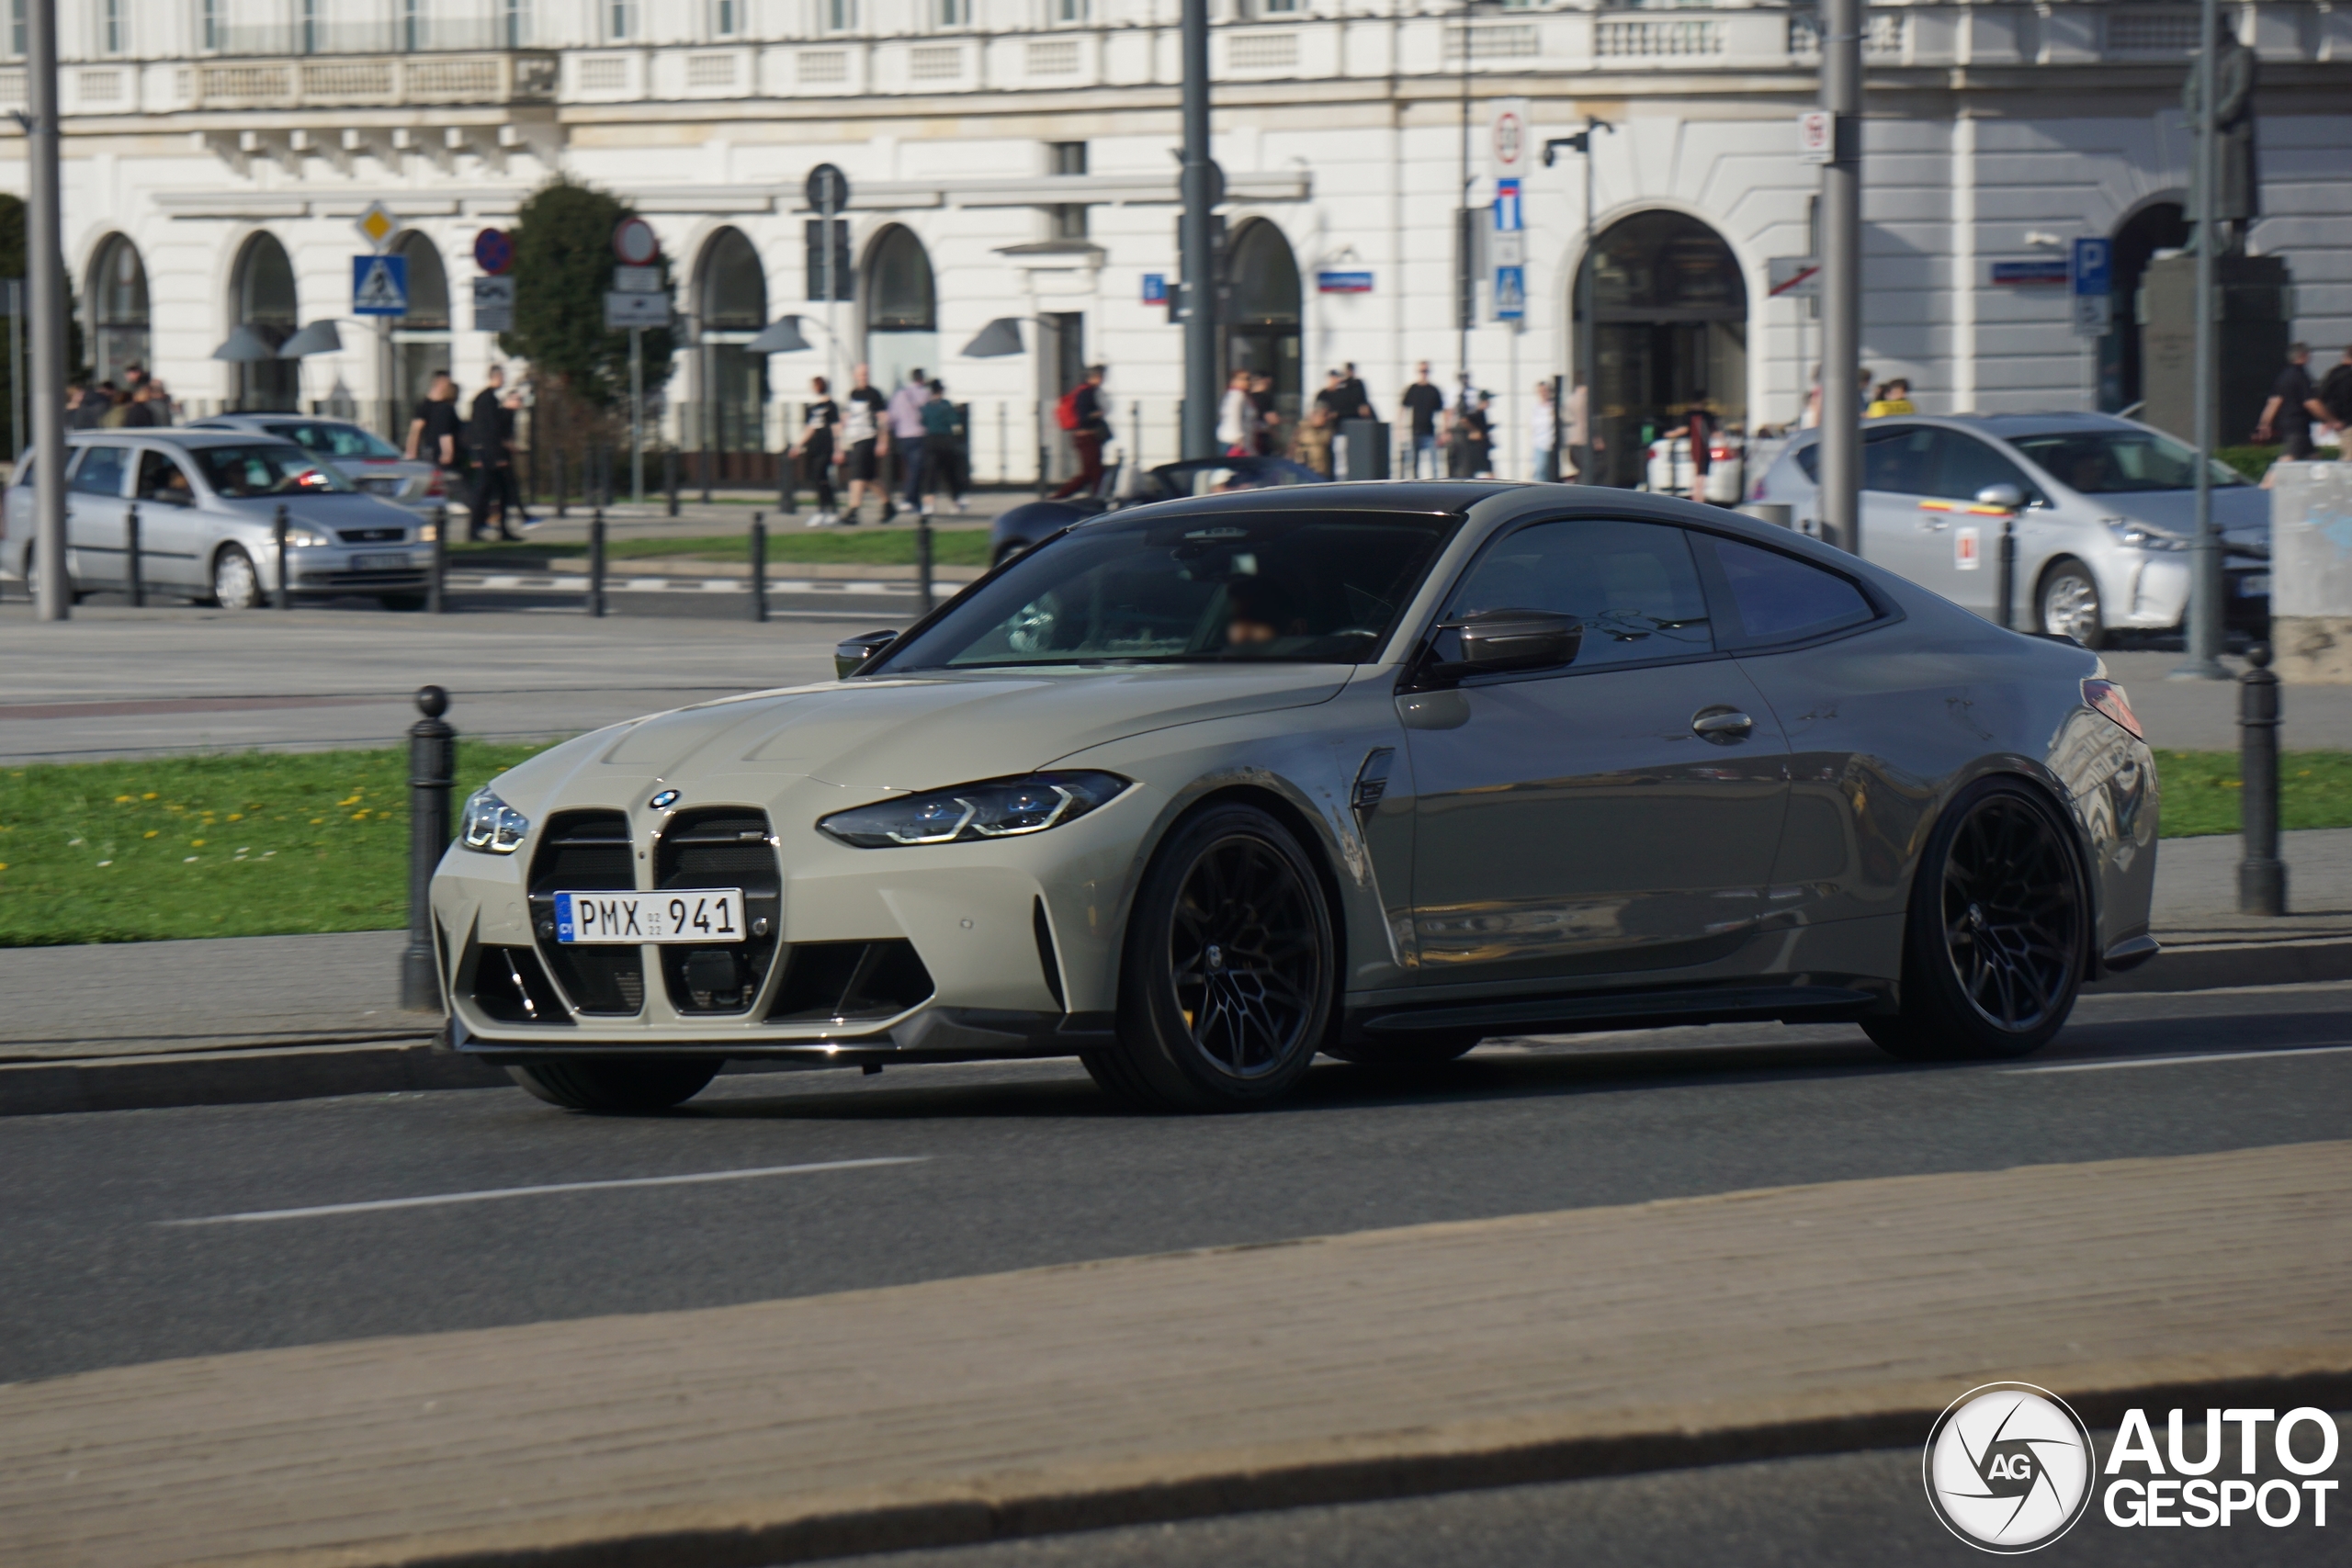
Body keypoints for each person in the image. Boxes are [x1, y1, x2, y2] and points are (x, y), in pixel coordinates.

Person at [467, 366, 525, 540]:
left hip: (487, 453)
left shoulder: (485, 399)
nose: (504, 380)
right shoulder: (488, 400)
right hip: (490, 455)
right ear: (496, 377)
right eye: (503, 377)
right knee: (485, 493)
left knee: (501, 493)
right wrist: (498, 456)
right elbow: (491, 430)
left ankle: (502, 530)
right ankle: (474, 531)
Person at [2255, 344, 2331, 459]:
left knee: (2314, 459)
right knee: (2287, 460)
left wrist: (2264, 423)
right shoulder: (2301, 376)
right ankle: (2270, 478)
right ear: (2304, 355)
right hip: (2298, 427)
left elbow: (2274, 402)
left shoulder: (2284, 376)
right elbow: (2310, 402)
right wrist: (2328, 419)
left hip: (2290, 426)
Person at [1048, 365, 1111, 500]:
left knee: (1093, 471)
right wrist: (1097, 414)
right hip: (1086, 437)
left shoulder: (1089, 391)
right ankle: (1061, 496)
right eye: (1101, 376)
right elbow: (1083, 417)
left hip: (1088, 437)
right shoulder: (1086, 393)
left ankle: (1094, 495)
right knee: (1093, 471)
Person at [787, 375, 841, 526]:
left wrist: (838, 449)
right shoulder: (812, 407)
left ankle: (823, 510)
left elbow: (836, 427)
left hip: (826, 445)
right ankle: (829, 509)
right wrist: (798, 445)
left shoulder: (831, 405)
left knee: (821, 477)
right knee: (819, 479)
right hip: (814, 446)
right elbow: (810, 429)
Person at [840, 363, 889, 523]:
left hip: (867, 438)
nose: (863, 377)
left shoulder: (874, 394)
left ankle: (853, 509)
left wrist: (883, 441)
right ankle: (887, 504)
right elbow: (848, 416)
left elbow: (883, 419)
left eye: (866, 374)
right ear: (854, 376)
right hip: (854, 439)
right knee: (869, 477)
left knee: (857, 474)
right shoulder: (852, 394)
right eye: (860, 374)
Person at [885, 367, 933, 516]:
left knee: (910, 468)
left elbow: (892, 417)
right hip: (918, 434)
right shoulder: (925, 394)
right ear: (922, 379)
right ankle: (909, 498)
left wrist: (889, 431)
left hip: (902, 435)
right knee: (916, 469)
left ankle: (915, 502)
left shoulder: (899, 394)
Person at [919, 379, 961, 513]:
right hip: (946, 441)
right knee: (949, 474)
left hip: (931, 441)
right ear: (941, 390)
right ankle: (955, 502)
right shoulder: (946, 405)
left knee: (930, 474)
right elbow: (954, 421)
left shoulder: (926, 407)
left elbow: (923, 422)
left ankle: (929, 504)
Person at [1400, 362, 1444, 478]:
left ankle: (1436, 488)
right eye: (1421, 371)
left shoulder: (1433, 390)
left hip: (1430, 432)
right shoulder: (1412, 389)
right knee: (1413, 464)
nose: (1424, 374)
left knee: (1434, 465)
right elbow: (1403, 408)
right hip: (1415, 432)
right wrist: (1399, 429)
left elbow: (1441, 412)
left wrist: (1442, 431)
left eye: (1426, 371)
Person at [1667, 392, 1714, 499]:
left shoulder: (1694, 416)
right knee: (1700, 476)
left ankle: (1697, 497)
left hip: (1699, 448)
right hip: (1701, 448)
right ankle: (1698, 497)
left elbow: (1685, 429)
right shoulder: (1706, 416)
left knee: (1698, 476)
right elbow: (1714, 431)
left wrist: (1672, 434)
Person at [1216, 369, 1254, 457]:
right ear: (1234, 381)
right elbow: (1233, 416)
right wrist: (1238, 438)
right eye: (1245, 379)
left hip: (1236, 440)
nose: (1249, 382)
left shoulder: (1238, 395)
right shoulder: (1237, 395)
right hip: (1235, 441)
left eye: (1249, 379)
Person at [2319, 346, 2352, 445]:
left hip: (2338, 421)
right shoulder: (2348, 376)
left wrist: (2328, 420)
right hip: (2348, 422)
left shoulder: (2332, 374)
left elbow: (2322, 396)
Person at [1291, 404, 1335, 477]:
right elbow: (1295, 442)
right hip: (1303, 461)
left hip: (1320, 466)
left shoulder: (1327, 430)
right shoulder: (1302, 428)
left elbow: (1325, 440)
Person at [1531, 379, 1560, 482]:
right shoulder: (1536, 408)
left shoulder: (1554, 407)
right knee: (1540, 471)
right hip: (1539, 444)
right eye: (1541, 391)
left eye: (1545, 391)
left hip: (1551, 444)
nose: (1543, 393)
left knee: (1548, 471)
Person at [1249, 372, 1281, 455]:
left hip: (1249, 435)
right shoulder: (1265, 398)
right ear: (1267, 381)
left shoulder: (1247, 398)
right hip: (1263, 436)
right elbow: (1272, 419)